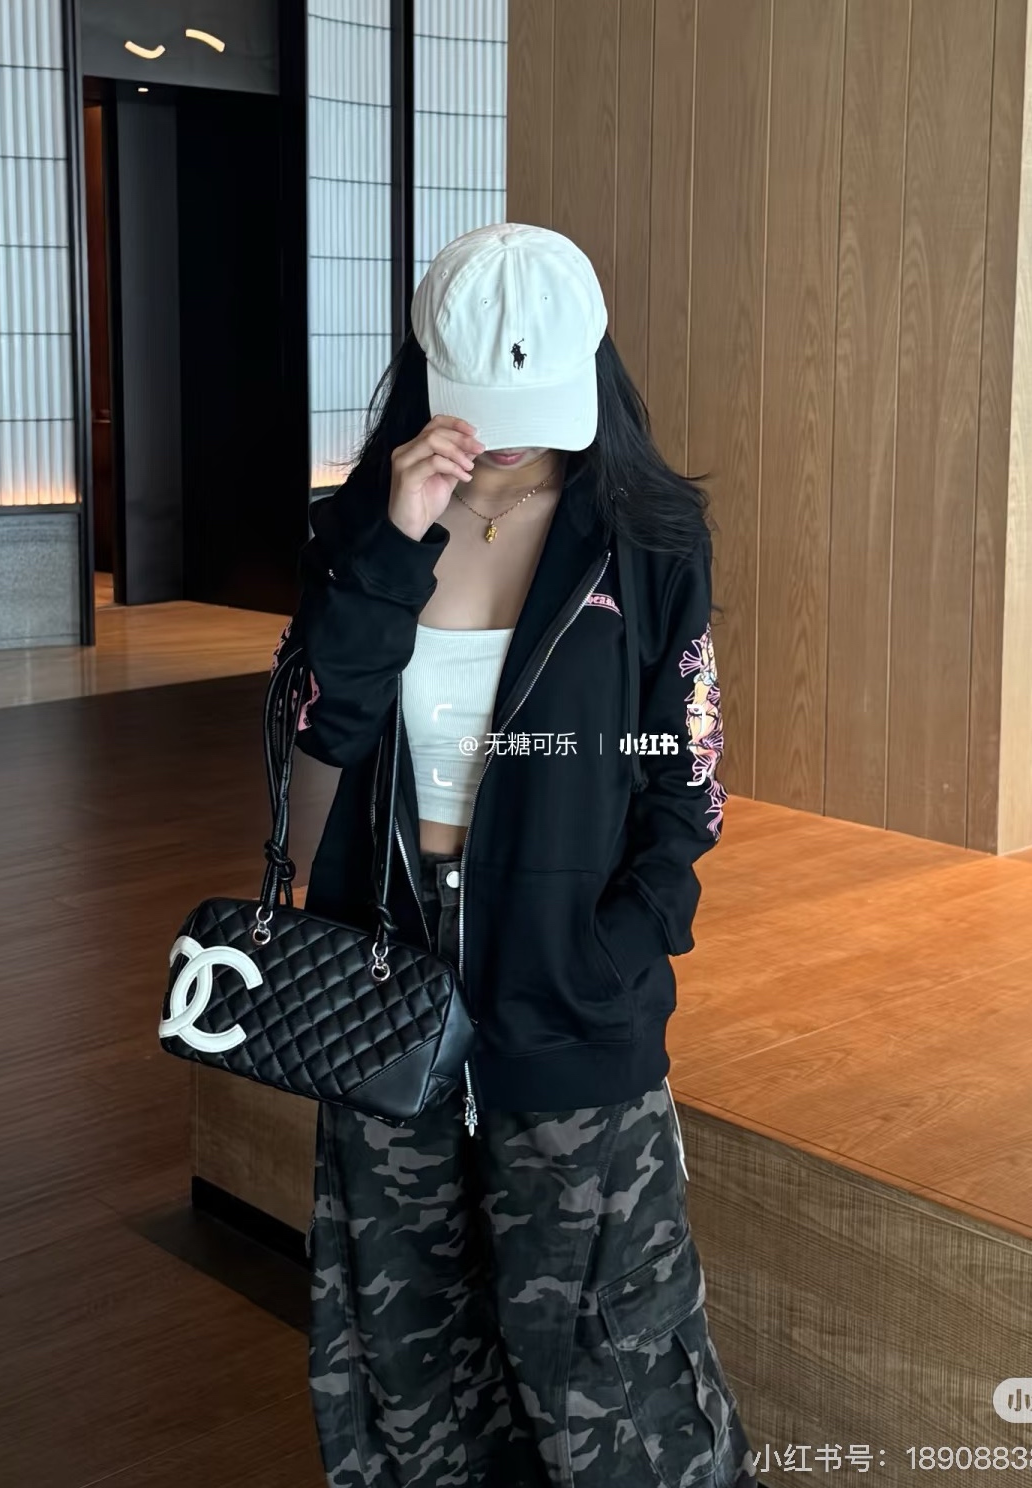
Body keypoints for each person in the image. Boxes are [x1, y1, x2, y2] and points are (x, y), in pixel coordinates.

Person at [275, 223, 758, 1488]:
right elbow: (321, 736)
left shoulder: (646, 537)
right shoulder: (363, 530)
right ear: (429, 371)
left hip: (571, 986)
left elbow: (688, 776)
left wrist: (621, 942)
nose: (511, 440)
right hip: (385, 974)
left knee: (615, 1359)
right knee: (407, 1352)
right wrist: (391, 549)